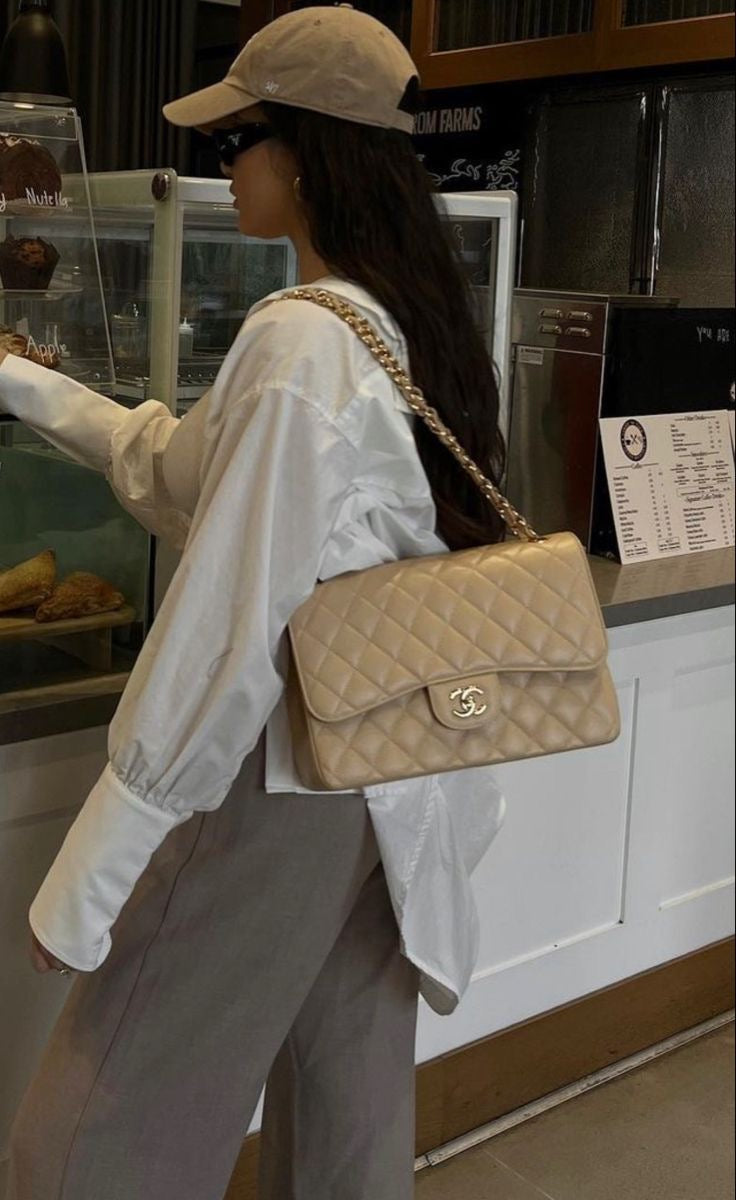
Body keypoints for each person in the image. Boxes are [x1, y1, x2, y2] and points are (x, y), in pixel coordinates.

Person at [0, 7, 508, 1199]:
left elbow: (228, 627)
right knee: (345, 1127)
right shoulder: (399, 320)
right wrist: (25, 380)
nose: (222, 164)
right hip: (390, 775)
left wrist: (96, 871)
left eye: (238, 139)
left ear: (307, 153)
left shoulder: (299, 342)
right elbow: (180, 469)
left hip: (279, 777)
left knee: (94, 1142)